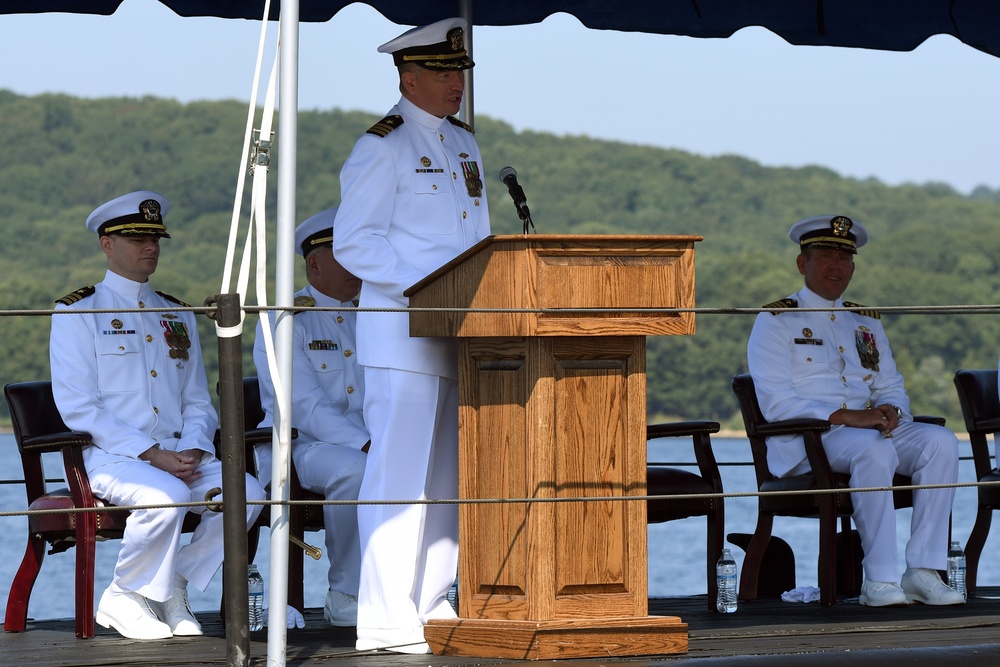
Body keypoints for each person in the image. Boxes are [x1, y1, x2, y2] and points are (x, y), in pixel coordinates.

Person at [332, 17, 491, 654]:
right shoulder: (382, 146)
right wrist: (430, 289)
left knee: (449, 477)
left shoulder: (465, 144)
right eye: (444, 72)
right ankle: (383, 614)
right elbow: (355, 243)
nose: (456, 83)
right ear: (409, 76)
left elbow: (476, 236)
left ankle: (432, 599)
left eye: (459, 72)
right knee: (398, 478)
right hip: (402, 332)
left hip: (461, 334)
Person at [49, 190, 266, 639]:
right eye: (135, 238)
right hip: (113, 457)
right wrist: (151, 453)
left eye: (155, 238)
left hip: (178, 454)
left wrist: (192, 446)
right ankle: (124, 593)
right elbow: (79, 406)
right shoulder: (78, 311)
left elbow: (197, 400)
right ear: (107, 245)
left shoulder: (177, 313)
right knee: (166, 496)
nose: (150, 247)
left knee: (249, 492)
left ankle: (173, 585)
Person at [747, 214, 964, 607]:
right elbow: (777, 403)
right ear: (803, 264)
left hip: (868, 432)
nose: (836, 266)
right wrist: (847, 416)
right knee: (874, 449)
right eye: (825, 256)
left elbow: (891, 386)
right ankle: (879, 579)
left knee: (941, 442)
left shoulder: (865, 322)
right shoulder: (776, 320)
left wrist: (893, 411)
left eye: (844, 259)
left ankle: (922, 572)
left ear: (853, 267)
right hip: (808, 441)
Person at [253, 207, 369, 628]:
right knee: (357, 470)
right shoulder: (285, 319)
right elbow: (304, 405)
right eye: (344, 255)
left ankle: (417, 588)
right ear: (314, 263)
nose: (356, 264)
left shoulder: (374, 315)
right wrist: (368, 443)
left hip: (365, 441)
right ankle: (346, 594)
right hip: (300, 447)